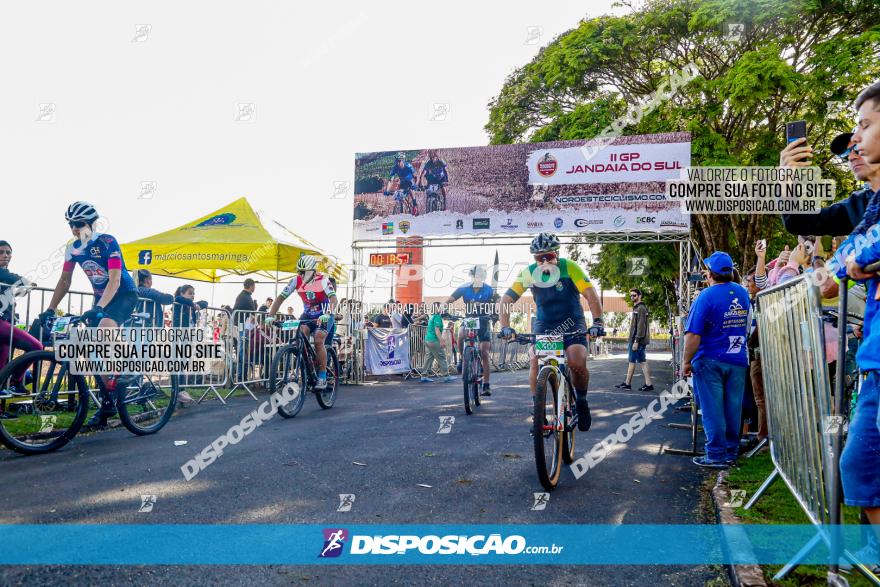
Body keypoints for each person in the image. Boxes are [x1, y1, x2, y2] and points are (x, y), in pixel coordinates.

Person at [39, 202, 139, 427]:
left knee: (105, 327)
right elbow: (65, 281)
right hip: (101, 298)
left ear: (92, 224)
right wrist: (50, 309)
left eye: (80, 224)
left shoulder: (107, 241)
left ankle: (131, 362)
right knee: (95, 355)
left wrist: (99, 307)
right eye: (71, 224)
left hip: (123, 293)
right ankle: (108, 403)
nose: (75, 228)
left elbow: (114, 279)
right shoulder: (72, 248)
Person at [499, 233, 605, 432]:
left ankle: (581, 401)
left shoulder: (570, 267)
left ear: (557, 253)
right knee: (535, 359)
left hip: (573, 322)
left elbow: (590, 295)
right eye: (539, 258)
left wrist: (598, 322)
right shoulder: (529, 272)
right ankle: (537, 411)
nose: (545, 261)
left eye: (548, 256)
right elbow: (506, 300)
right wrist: (505, 326)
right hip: (545, 324)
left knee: (576, 361)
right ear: (534, 259)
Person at [839, 80, 880, 542]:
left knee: (861, 463)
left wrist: (859, 261)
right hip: (872, 359)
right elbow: (838, 267)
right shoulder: (868, 208)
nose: (855, 141)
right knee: (861, 466)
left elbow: (855, 258)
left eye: (865, 126)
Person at [682, 251, 750, 468]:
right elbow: (748, 326)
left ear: (710, 274)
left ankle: (716, 455)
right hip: (738, 359)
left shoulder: (706, 296)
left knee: (713, 409)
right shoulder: (743, 293)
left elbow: (693, 334)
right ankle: (731, 452)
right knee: (733, 408)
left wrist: (685, 361)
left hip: (710, 359)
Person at [781, 127, 879, 236]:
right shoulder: (854, 207)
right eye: (845, 156)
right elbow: (797, 222)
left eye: (858, 149)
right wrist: (785, 180)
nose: (851, 157)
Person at [268, 255, 337, 390]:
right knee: (301, 334)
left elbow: (334, 299)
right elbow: (280, 298)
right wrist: (271, 315)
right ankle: (308, 367)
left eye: (303, 272)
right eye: (299, 271)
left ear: (312, 271)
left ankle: (322, 377)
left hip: (323, 313)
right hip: (308, 314)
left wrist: (328, 312)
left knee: (318, 340)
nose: (300, 274)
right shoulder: (296, 280)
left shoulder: (323, 280)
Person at [0, 240, 43, 414]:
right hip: (2, 324)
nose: (5, 256)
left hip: (6, 323)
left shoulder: (6, 276)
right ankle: (17, 380)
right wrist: (23, 285)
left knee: (1, 370)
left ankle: (1, 412)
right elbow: (26, 283)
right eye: (1, 252)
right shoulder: (5, 275)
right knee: (37, 346)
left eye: (8, 253)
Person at [446, 266, 496, 396]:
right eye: (474, 276)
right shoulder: (464, 288)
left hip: (484, 320)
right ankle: (463, 359)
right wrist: (443, 307)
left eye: (479, 277)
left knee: (484, 352)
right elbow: (451, 299)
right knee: (461, 334)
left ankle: (486, 385)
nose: (476, 279)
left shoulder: (489, 289)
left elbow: (500, 301)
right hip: (470, 319)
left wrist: (497, 311)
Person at [615, 289, 653, 391]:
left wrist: (636, 341)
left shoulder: (640, 308)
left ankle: (627, 384)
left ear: (640, 296)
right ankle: (649, 384)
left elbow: (641, 326)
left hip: (637, 340)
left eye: (634, 295)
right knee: (642, 362)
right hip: (640, 340)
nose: (632, 297)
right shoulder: (639, 308)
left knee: (632, 361)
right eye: (631, 296)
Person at [420, 302, 455, 383]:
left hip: (428, 340)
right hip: (433, 340)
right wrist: (442, 340)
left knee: (428, 358)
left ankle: (424, 376)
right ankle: (446, 376)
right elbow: (437, 330)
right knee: (441, 357)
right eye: (441, 307)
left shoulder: (432, 316)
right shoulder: (437, 317)